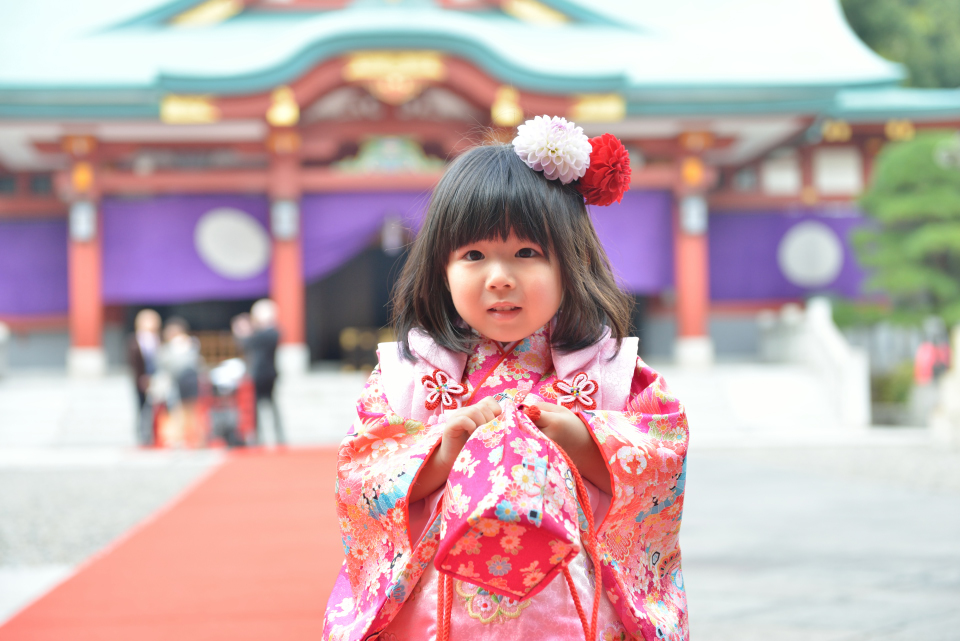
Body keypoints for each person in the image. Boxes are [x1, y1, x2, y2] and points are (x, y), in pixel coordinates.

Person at [323, 116, 689, 641]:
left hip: (571, 615)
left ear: (571, 262)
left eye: (526, 254)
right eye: (473, 255)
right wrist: (444, 450)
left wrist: (582, 440)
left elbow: (661, 460)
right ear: (440, 270)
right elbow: (361, 478)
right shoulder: (409, 376)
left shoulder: (609, 373)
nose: (499, 277)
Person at [232, 299, 285, 446]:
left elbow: (248, 341)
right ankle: (257, 438)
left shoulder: (270, 333)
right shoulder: (263, 334)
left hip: (267, 375)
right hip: (258, 375)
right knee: (256, 409)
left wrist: (243, 331)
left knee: (272, 407)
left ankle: (278, 437)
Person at [155, 317, 203, 448]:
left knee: (192, 411)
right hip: (174, 383)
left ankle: (196, 439)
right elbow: (163, 364)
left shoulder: (191, 345)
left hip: (189, 382)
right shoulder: (165, 349)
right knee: (175, 412)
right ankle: (177, 438)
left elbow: (195, 363)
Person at [128, 308, 161, 446]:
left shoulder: (157, 339)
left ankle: (154, 435)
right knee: (141, 408)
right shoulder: (135, 340)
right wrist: (141, 377)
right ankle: (142, 436)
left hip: (155, 378)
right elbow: (133, 362)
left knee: (155, 408)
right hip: (140, 379)